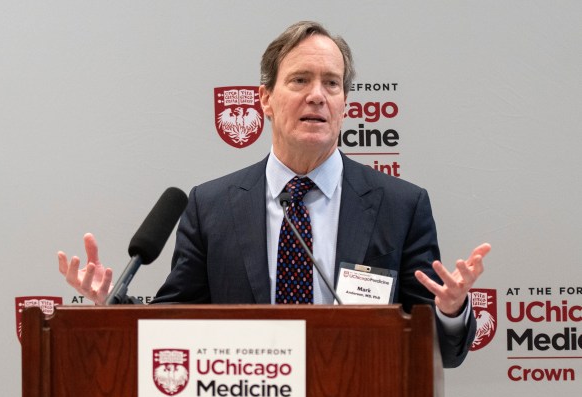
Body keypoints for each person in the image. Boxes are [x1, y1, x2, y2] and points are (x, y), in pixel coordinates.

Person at [58, 21, 490, 368]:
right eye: (300, 79)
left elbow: (442, 354)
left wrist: (450, 311)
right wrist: (114, 307)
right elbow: (176, 321)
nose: (317, 95)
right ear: (264, 99)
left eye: (332, 84)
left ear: (345, 106)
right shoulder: (211, 207)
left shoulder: (401, 206)